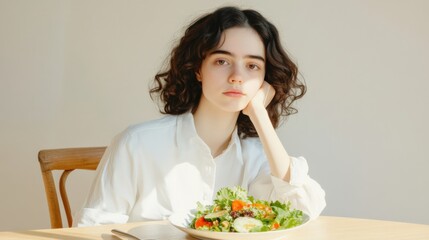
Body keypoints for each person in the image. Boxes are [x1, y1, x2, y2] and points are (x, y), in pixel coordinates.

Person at [74, 6, 326, 226]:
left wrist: (259, 114)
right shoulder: (137, 144)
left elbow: (302, 212)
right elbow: (93, 231)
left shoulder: (259, 158)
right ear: (197, 69)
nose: (237, 76)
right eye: (222, 61)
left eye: (252, 66)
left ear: (263, 80)